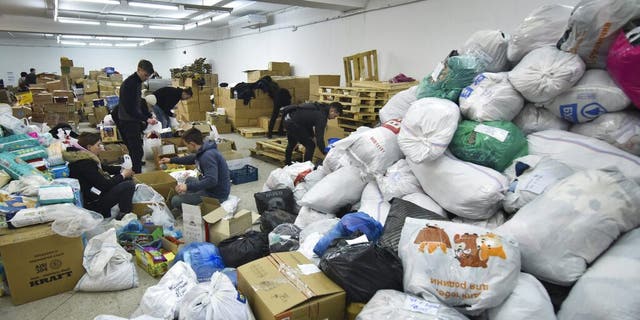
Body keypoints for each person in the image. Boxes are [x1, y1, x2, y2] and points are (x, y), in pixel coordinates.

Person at [63, 132, 135, 219]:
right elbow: (105, 185)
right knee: (128, 185)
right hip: (93, 202)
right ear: (89, 147)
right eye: (98, 145)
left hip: (94, 193)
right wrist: (123, 175)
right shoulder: (84, 164)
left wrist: (121, 169)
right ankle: (124, 215)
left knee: (126, 179)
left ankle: (122, 210)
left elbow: (103, 168)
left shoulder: (83, 156)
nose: (101, 148)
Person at [159, 128, 230, 212]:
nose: (187, 148)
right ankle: (192, 197)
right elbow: (191, 159)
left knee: (175, 200)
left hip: (216, 194)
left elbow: (211, 181)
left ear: (192, 144)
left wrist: (187, 187)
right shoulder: (203, 149)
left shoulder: (207, 157)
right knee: (189, 179)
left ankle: (193, 201)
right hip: (211, 188)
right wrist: (171, 160)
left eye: (187, 145)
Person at [113, 59, 157, 173]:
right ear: (139, 70)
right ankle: (136, 175)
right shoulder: (130, 84)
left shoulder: (137, 82)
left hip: (133, 120)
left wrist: (148, 115)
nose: (146, 78)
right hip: (128, 121)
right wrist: (146, 119)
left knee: (136, 150)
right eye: (145, 75)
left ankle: (134, 172)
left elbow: (138, 103)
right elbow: (130, 108)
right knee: (137, 151)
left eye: (148, 76)